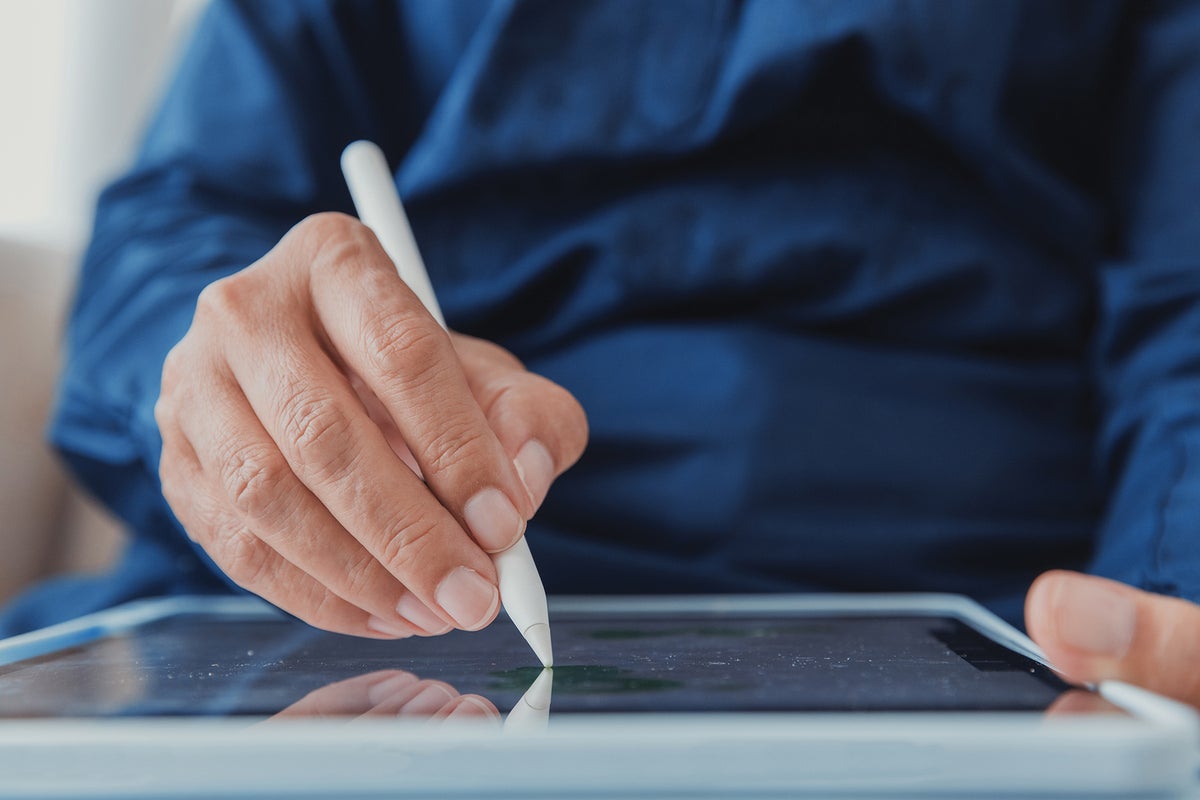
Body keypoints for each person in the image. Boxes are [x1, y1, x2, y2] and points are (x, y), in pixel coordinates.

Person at [7, 0, 1200, 708]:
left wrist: (1163, 616)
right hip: (366, 595)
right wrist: (243, 384)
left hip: (975, 613)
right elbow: (178, 229)